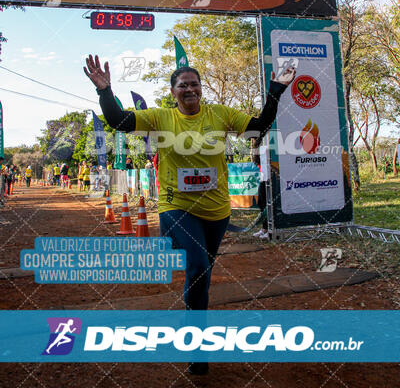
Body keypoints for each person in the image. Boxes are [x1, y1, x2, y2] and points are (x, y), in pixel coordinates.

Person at [84, 54, 295, 375]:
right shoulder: (160, 118)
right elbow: (119, 121)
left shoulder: (220, 115)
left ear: (201, 88)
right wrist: (105, 91)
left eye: (194, 84)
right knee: (196, 265)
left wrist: (276, 90)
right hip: (175, 207)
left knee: (202, 275)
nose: (189, 89)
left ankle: (193, 320)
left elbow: (259, 127)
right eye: (182, 85)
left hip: (216, 211)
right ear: (173, 92)